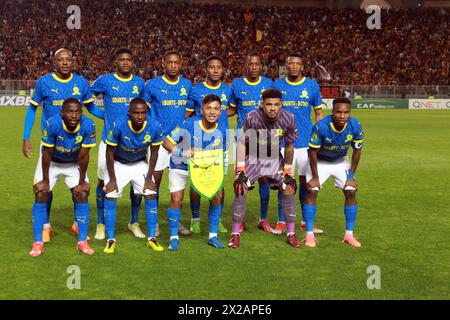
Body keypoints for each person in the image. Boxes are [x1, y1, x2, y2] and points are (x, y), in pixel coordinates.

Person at [23, 48, 103, 243]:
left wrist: (108, 116)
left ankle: (78, 223)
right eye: (61, 59)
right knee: (44, 188)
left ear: (73, 62)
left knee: (79, 189)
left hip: (74, 147)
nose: (65, 63)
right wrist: (26, 137)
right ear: (54, 62)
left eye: (68, 59)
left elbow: (90, 107)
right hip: (51, 145)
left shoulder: (81, 83)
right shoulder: (44, 82)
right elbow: (32, 109)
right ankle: (45, 226)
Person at [228, 88, 301, 249]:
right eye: (268, 104)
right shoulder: (252, 117)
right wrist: (240, 170)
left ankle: (291, 234)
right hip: (252, 157)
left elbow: (289, 146)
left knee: (289, 189)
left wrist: (288, 172)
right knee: (240, 189)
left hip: (274, 157)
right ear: (262, 104)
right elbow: (241, 142)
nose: (272, 108)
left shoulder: (288, 118)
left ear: (281, 104)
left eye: (276, 104)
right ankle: (235, 235)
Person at [90, 48, 146, 240]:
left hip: (135, 142)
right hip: (110, 141)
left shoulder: (139, 83)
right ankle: (100, 223)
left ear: (132, 62)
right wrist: (102, 115)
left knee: (136, 184)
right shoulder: (105, 80)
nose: (125, 62)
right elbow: (87, 100)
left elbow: (145, 109)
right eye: (122, 59)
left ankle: (134, 221)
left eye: (129, 59)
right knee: (102, 181)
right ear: (116, 61)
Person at [29, 98, 96, 257]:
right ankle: (38, 243)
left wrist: (81, 182)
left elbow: (85, 156)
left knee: (82, 194)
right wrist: (45, 181)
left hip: (73, 163)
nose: (74, 115)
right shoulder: (52, 124)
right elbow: (46, 154)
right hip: (51, 162)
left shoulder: (88, 125)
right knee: (41, 193)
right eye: (70, 112)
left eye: (78, 112)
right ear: (62, 113)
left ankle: (82, 242)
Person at [162, 94, 227, 251]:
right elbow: (167, 142)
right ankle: (173, 238)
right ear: (201, 110)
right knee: (176, 199)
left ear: (220, 111)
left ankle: (212, 236)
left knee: (217, 196)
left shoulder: (223, 130)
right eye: (209, 108)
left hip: (204, 168)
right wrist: (181, 152)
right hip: (181, 166)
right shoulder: (188, 124)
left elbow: (221, 154)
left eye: (216, 109)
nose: (212, 112)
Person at [102, 98, 163, 254]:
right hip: (118, 163)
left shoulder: (154, 126)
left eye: (143, 113)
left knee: (150, 194)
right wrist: (113, 179)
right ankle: (110, 240)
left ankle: (151, 239)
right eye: (136, 113)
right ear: (129, 113)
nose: (140, 116)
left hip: (139, 163)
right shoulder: (119, 124)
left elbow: (155, 153)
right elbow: (109, 152)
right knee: (110, 195)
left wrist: (149, 178)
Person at [273, 52, 324, 236]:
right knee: (283, 183)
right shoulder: (278, 85)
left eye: (297, 64)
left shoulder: (311, 85)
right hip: (283, 143)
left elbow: (318, 113)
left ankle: (304, 221)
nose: (294, 66)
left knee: (305, 183)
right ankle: (281, 221)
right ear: (286, 66)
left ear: (302, 66)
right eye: (291, 63)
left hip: (305, 143)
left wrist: (318, 137)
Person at [303, 97, 364, 248]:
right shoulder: (321, 126)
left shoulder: (355, 125)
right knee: (312, 191)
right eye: (338, 112)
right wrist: (315, 178)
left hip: (340, 161)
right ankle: (309, 235)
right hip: (319, 161)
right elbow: (312, 153)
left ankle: (349, 235)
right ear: (332, 112)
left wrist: (350, 176)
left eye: (346, 112)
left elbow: (357, 150)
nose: (342, 116)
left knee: (351, 191)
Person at [143, 50, 192, 236]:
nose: (173, 65)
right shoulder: (152, 85)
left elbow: (190, 111)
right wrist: (156, 130)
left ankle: (175, 222)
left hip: (180, 143)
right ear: (163, 64)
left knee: (177, 185)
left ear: (181, 64)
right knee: (154, 182)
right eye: (169, 62)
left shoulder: (187, 85)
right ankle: (153, 223)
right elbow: (144, 111)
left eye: (176, 62)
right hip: (158, 142)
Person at [185, 55, 231, 234]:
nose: (215, 70)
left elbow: (232, 110)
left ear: (223, 70)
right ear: (206, 69)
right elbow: (187, 115)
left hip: (221, 144)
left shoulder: (228, 90)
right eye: (212, 67)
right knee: (196, 183)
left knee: (219, 183)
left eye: (219, 67)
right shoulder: (196, 91)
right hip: (199, 144)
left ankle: (216, 220)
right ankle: (195, 219)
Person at [228, 52, 274, 233]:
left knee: (264, 179)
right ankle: (240, 220)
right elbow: (231, 110)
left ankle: (263, 219)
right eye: (251, 64)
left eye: (257, 64)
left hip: (265, 138)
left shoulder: (268, 84)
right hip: (243, 139)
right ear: (245, 65)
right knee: (241, 180)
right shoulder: (237, 85)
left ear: (261, 66)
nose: (254, 67)